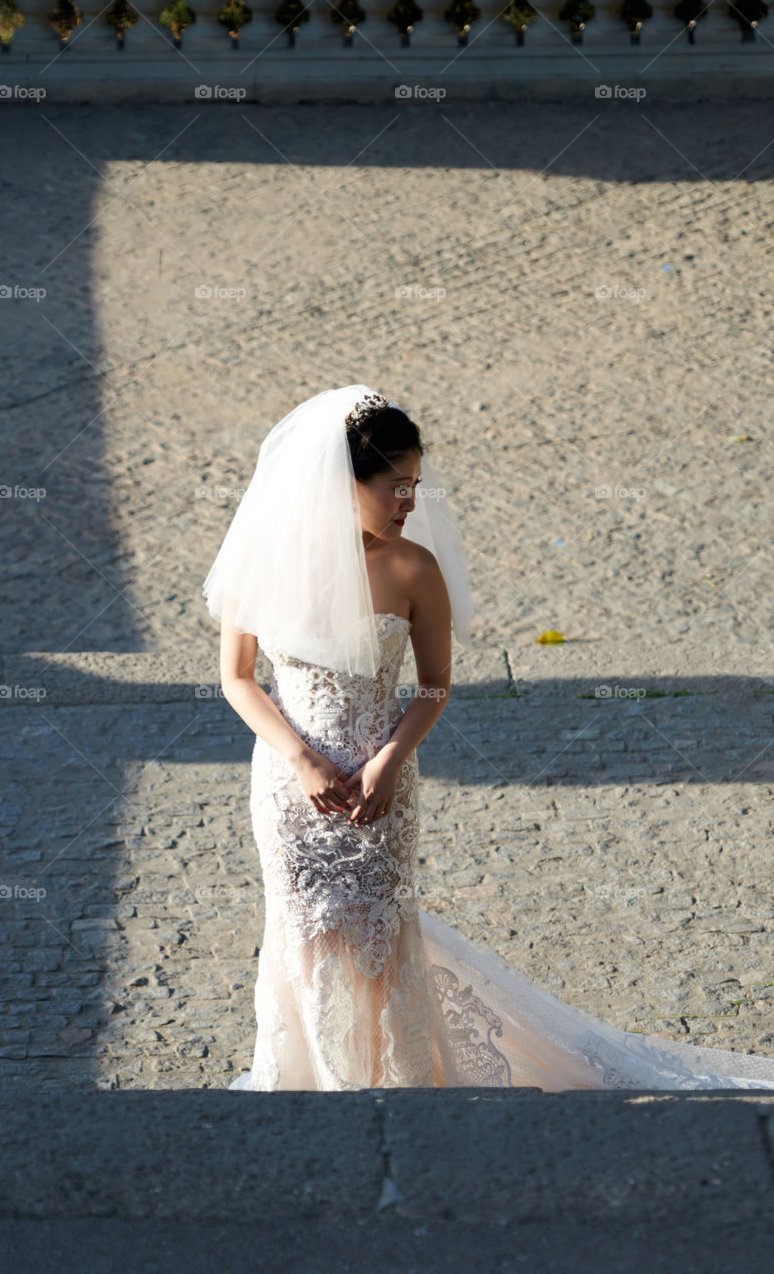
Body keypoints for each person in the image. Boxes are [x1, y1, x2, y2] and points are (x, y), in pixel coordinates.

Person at [202, 385, 774, 1092]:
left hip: (383, 781)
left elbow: (434, 686)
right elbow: (236, 679)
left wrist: (388, 759)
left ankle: (392, 1084)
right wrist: (299, 760)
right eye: (393, 488)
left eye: (413, 485)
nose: (410, 502)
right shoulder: (264, 561)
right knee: (304, 928)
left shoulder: (413, 568)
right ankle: (312, 1082)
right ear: (339, 483)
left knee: (380, 935)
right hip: (292, 792)